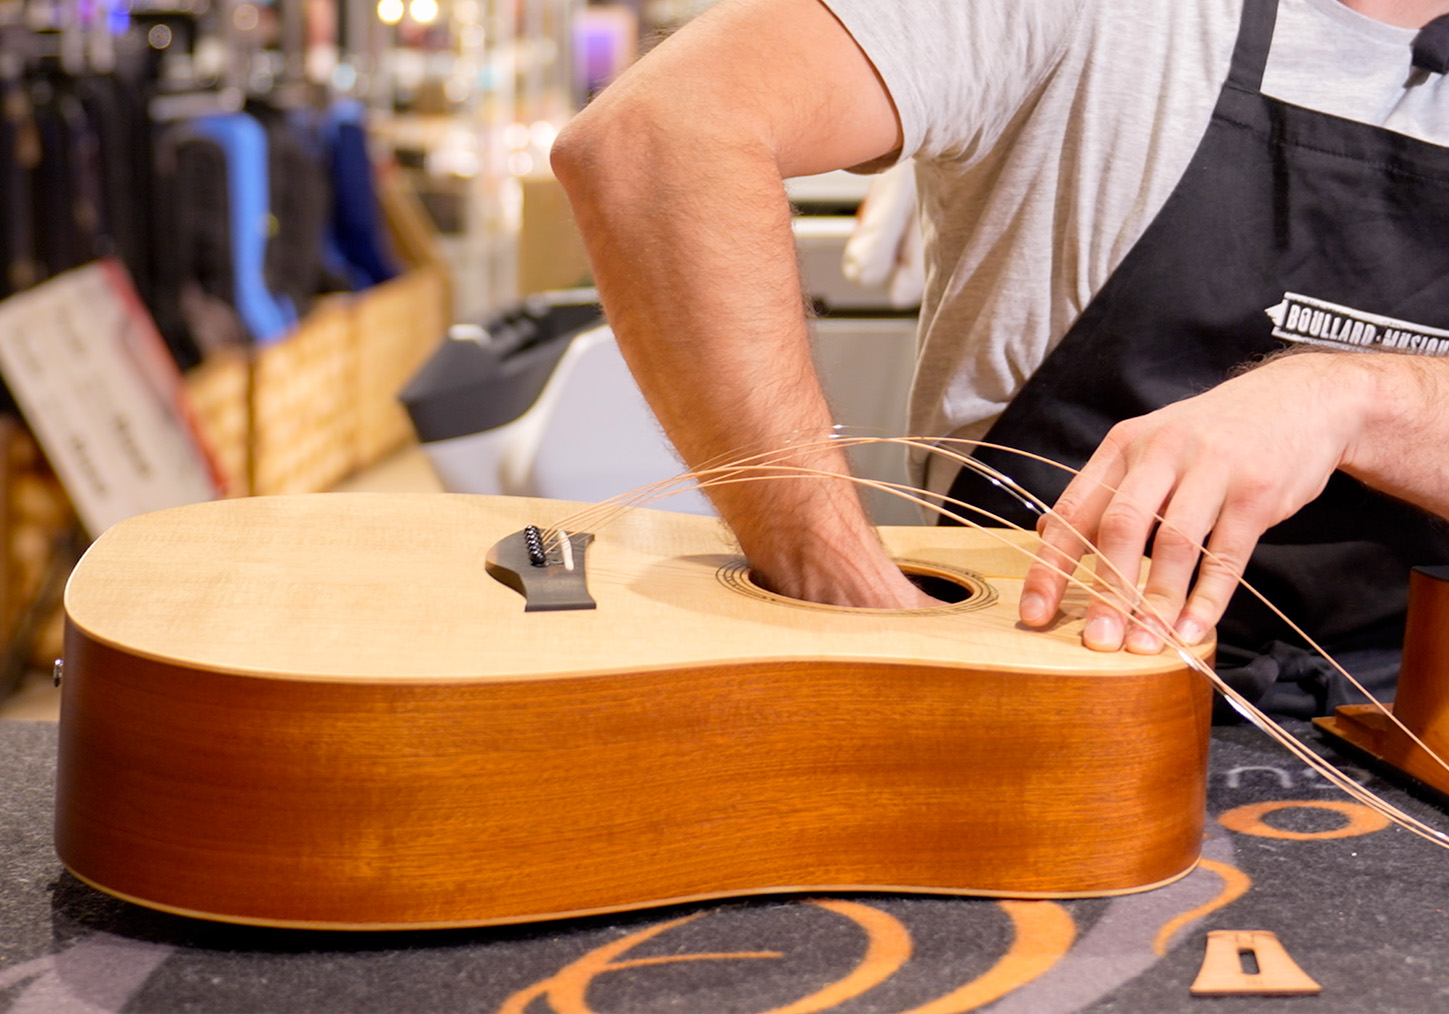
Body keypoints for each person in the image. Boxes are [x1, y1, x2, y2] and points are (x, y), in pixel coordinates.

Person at [550, 0, 1449, 716]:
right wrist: (837, 581)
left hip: (1415, 724)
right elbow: (658, 134)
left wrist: (1356, 396)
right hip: (1021, 699)